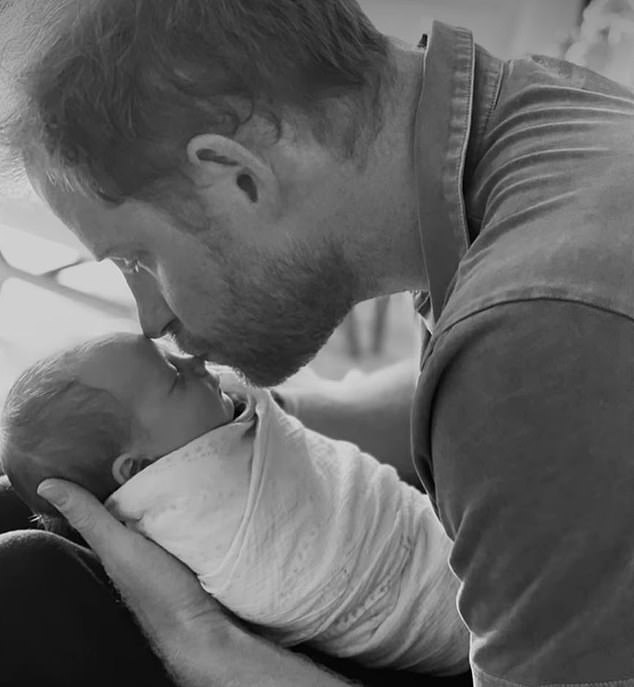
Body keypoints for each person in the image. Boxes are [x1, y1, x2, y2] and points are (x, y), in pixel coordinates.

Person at [0, 0, 633, 685]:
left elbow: (516, 394)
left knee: (28, 585)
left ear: (235, 175)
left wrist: (208, 646)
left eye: (139, 260)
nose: (150, 319)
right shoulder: (534, 112)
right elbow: (477, 411)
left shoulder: (527, 341)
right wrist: (231, 442)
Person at [1, 333, 468, 675]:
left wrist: (199, 631)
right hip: (426, 612)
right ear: (136, 469)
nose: (196, 360)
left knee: (22, 559)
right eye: (172, 376)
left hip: (449, 603)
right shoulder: (199, 501)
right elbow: (264, 414)